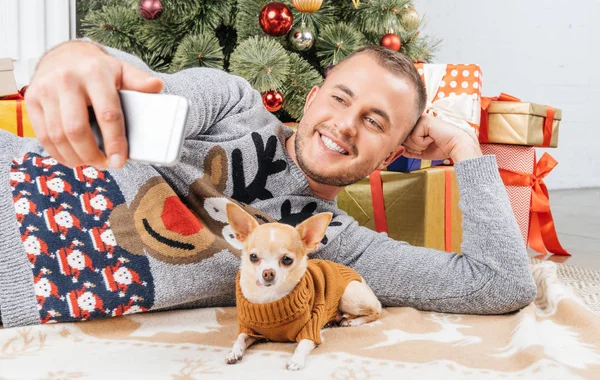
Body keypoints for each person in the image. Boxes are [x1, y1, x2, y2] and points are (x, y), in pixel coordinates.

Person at [0, 39, 535, 328]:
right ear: (313, 96)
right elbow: (150, 97)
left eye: (375, 122)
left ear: (394, 153)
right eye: (341, 98)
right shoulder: (234, 105)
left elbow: (500, 285)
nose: (345, 125)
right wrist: (77, 58)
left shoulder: (334, 246)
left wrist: (466, 149)